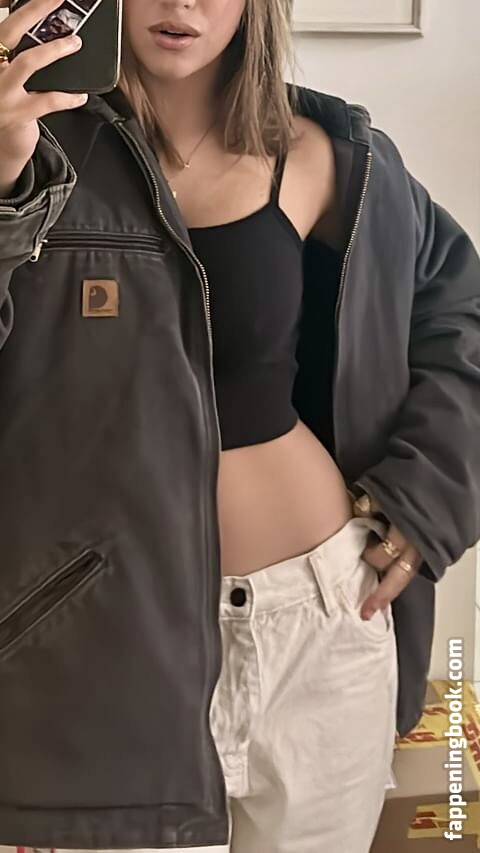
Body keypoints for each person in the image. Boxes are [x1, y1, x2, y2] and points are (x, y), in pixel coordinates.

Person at [0, 0, 479, 851]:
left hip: (324, 626)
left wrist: (430, 499)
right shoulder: (29, 149)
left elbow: (459, 313)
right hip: (105, 654)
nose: (181, 2)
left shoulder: (325, 154)